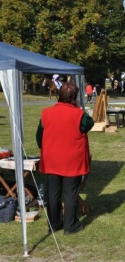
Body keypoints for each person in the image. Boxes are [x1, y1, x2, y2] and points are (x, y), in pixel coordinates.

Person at [36, 82, 94, 235]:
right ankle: (70, 225)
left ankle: (54, 224)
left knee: (53, 193)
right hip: (71, 159)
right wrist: (79, 109)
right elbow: (89, 124)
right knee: (70, 192)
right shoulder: (79, 115)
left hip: (52, 158)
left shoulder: (46, 113)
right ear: (74, 98)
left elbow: (39, 137)